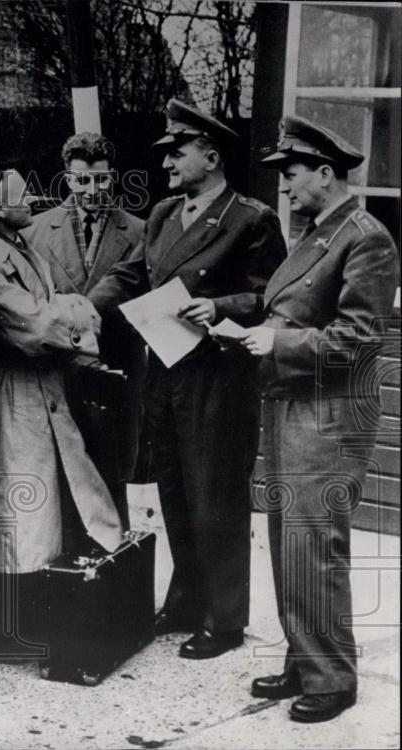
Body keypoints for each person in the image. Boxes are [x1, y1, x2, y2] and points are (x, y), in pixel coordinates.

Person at [87, 99, 287, 659]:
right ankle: (185, 600)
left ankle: (224, 620)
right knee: (173, 490)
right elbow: (131, 274)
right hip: (165, 371)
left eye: (178, 151)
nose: (167, 161)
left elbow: (273, 295)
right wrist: (80, 308)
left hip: (218, 378)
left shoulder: (251, 218)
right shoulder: (162, 214)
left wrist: (218, 305)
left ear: (212, 156)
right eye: (167, 152)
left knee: (215, 497)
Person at [233, 115, 400, 723]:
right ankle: (305, 659)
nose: (285, 186)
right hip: (293, 406)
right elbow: (290, 306)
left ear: (326, 174)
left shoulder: (365, 238)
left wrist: (276, 344)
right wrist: (249, 326)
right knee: (288, 539)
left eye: (293, 173)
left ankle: (332, 677)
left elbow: (358, 340)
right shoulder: (316, 235)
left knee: (314, 542)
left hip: (330, 414)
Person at [0, 161, 124, 655]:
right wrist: (76, 315)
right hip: (10, 394)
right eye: (21, 196)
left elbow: (55, 307)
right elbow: (38, 327)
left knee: (36, 507)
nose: (33, 201)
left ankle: (25, 619)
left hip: (40, 390)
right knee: (17, 509)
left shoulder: (20, 246)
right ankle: (3, 628)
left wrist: (67, 311)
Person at [23, 132, 147, 503]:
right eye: (81, 180)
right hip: (61, 372)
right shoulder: (35, 230)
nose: (92, 190)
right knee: (64, 478)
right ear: (67, 177)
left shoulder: (141, 229)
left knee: (113, 480)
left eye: (101, 179)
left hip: (117, 368)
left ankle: (117, 559)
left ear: (113, 176)